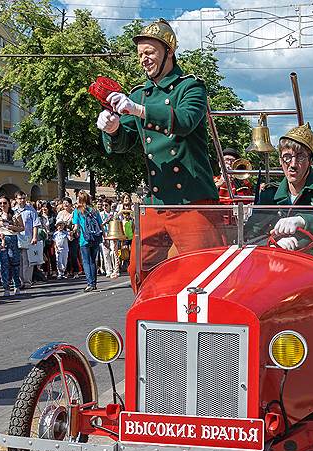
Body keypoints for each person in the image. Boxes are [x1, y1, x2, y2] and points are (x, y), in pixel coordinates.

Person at [96, 18, 222, 284]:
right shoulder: (139, 94)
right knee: (140, 271)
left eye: (150, 52)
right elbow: (125, 141)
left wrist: (139, 111)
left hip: (192, 202)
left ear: (169, 52)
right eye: (140, 54)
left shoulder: (191, 87)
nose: (143, 59)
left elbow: (185, 122)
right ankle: (152, 324)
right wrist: (112, 128)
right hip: (156, 203)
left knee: (201, 277)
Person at [255, 123, 313, 264]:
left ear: (310, 161)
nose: (293, 164)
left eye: (301, 157)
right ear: (280, 160)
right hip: (275, 263)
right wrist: (273, 243)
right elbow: (250, 235)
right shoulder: (269, 193)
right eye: (287, 157)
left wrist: (302, 220)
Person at [73, 191, 104, 292]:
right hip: (95, 238)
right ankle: (94, 283)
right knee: (93, 261)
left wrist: (73, 232)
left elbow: (76, 227)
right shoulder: (94, 210)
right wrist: (104, 235)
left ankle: (90, 283)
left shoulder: (77, 211)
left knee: (86, 261)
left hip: (84, 239)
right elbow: (100, 224)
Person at [0, 195, 24, 296]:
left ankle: (16, 285)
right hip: (1, 240)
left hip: (12, 238)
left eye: (5, 203)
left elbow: (22, 228)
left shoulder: (15, 214)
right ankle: (6, 287)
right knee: (3, 265)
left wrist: (13, 227)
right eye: (1, 203)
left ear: (9, 204)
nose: (2, 205)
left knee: (15, 263)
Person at [13, 191, 39, 289]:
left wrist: (34, 237)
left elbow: (35, 225)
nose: (22, 200)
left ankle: (27, 281)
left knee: (27, 261)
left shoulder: (31, 210)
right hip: (16, 238)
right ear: (16, 199)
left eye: (24, 198)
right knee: (18, 261)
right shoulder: (13, 211)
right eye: (20, 198)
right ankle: (19, 281)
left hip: (27, 238)